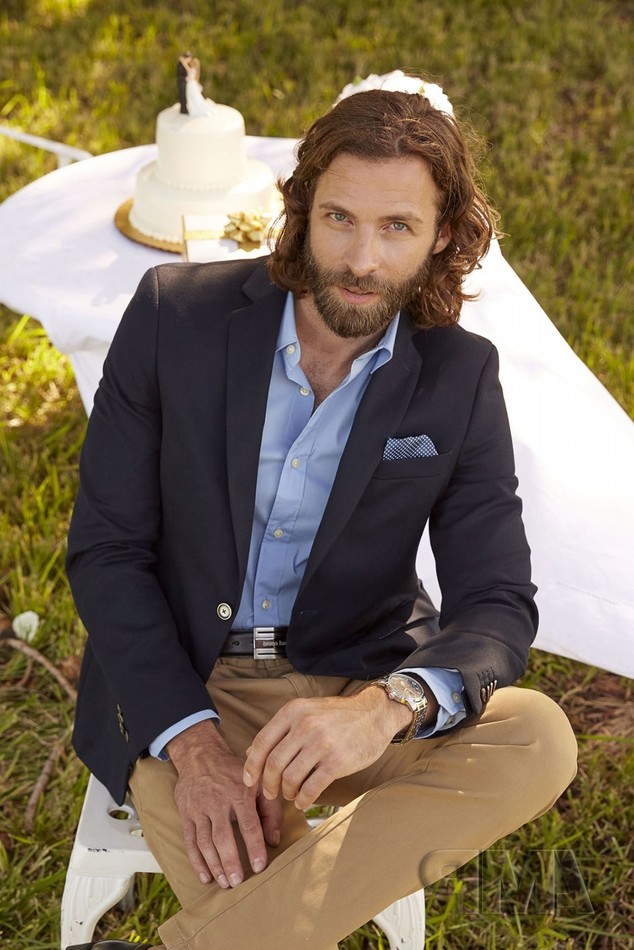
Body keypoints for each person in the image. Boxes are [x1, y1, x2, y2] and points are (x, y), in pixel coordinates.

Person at [66, 86, 577, 950]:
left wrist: (384, 708)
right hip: (191, 688)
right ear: (303, 208)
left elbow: (496, 601)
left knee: (540, 738)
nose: (361, 260)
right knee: (267, 916)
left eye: (397, 227)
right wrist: (193, 749)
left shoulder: (459, 376)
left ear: (443, 234)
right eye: (340, 218)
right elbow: (107, 551)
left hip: (357, 685)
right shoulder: (172, 317)